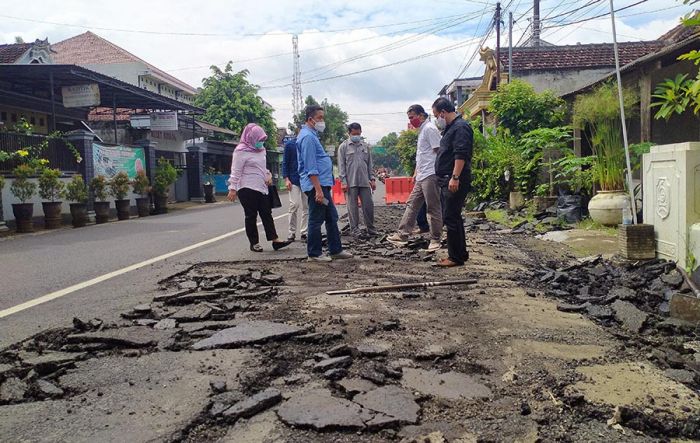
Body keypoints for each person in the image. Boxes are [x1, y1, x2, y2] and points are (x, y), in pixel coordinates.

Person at [297, 104, 353, 262]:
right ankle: (314, 254)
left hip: (322, 185)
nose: (322, 121)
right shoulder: (307, 137)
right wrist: (318, 190)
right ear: (310, 119)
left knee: (331, 217)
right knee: (315, 219)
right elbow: (310, 166)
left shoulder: (312, 135)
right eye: (320, 118)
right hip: (317, 186)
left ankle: (336, 250)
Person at [227, 123, 292, 253]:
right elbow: (236, 170)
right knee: (251, 215)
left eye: (262, 139)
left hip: (262, 187)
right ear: (251, 137)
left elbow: (262, 167)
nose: (261, 142)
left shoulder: (261, 149)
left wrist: (268, 175)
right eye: (259, 139)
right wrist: (232, 188)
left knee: (267, 214)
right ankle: (254, 243)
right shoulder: (241, 151)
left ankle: (275, 240)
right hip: (246, 187)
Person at [387, 104, 443, 252]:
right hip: (422, 175)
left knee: (433, 207)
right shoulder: (422, 130)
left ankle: (436, 239)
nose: (411, 121)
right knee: (412, 203)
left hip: (431, 174)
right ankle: (403, 234)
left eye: (412, 117)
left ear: (421, 115)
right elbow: (422, 155)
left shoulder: (430, 129)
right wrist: (416, 172)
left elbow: (439, 152)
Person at [431, 97, 473, 267]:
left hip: (453, 179)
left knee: (450, 217)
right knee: (453, 217)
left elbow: (460, 154)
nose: (436, 119)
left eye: (436, 115)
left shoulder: (460, 128)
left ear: (443, 112)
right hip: (448, 178)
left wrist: (455, 177)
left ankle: (455, 257)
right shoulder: (451, 128)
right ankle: (460, 253)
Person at [337, 122, 377, 237]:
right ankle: (355, 229)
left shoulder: (365, 146)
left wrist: (372, 179)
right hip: (350, 182)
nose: (356, 136)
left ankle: (371, 229)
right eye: (354, 134)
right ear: (349, 133)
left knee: (368, 206)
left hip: (365, 182)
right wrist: (343, 182)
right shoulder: (343, 147)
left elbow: (370, 164)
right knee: (352, 208)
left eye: (358, 133)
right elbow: (341, 166)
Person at [282, 128, 307, 241]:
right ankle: (291, 232)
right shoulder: (290, 145)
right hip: (294, 179)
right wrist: (286, 179)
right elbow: (285, 163)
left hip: (307, 179)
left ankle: (304, 232)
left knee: (307, 206)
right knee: (294, 205)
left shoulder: (308, 144)